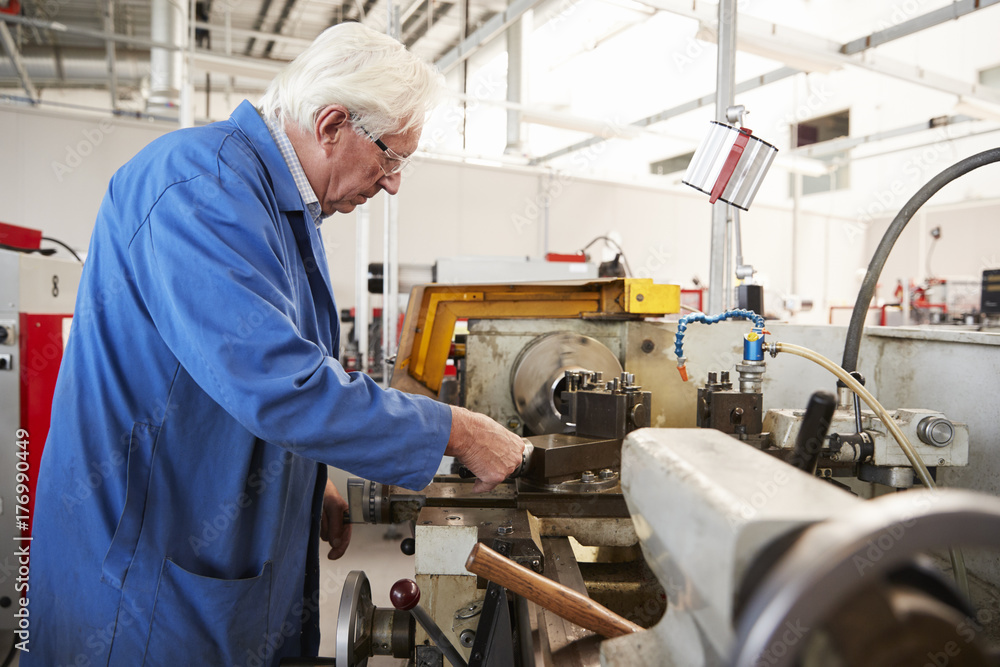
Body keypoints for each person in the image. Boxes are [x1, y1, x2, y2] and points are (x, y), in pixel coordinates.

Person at [24, 22, 525, 666]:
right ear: (332, 124)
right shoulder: (197, 186)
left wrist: (304, 482)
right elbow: (279, 385)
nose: (393, 182)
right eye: (391, 158)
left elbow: (243, 378)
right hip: (149, 586)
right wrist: (455, 432)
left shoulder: (274, 204)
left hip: (221, 555)